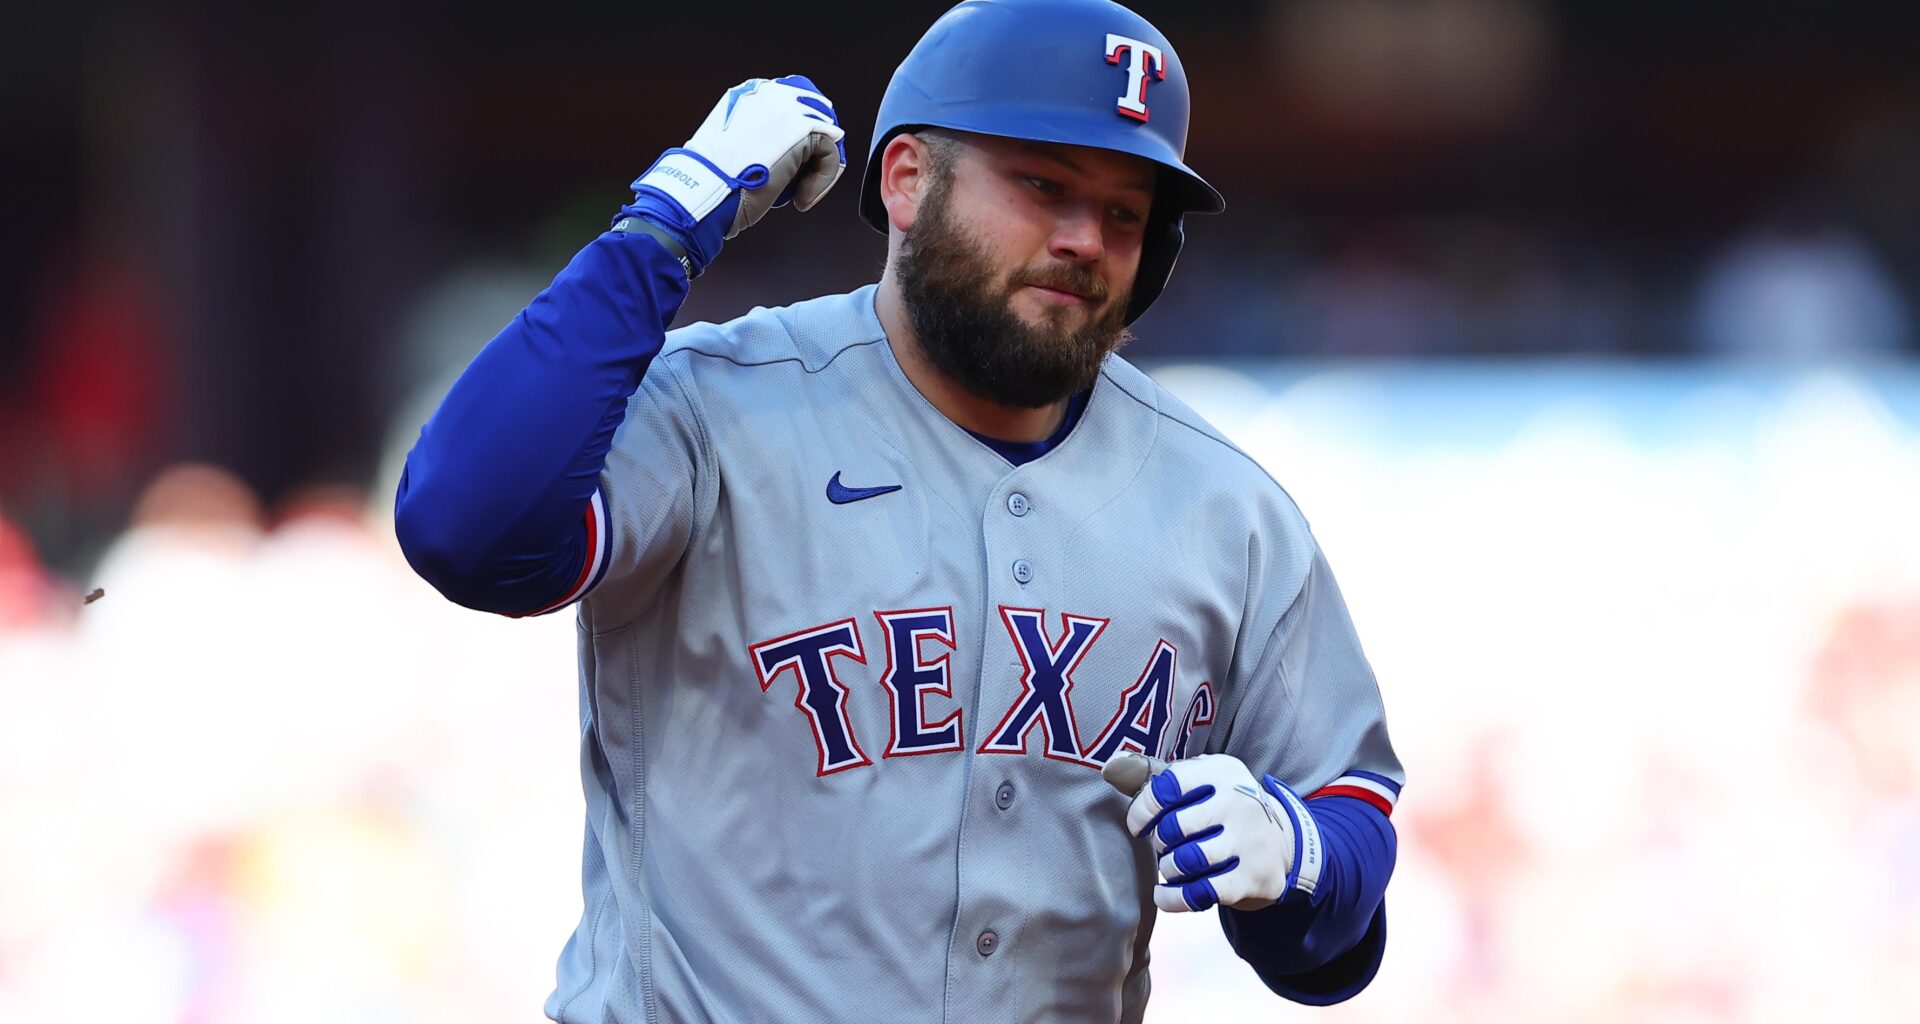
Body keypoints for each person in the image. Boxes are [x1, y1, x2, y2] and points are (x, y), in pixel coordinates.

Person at [394, 1, 1403, 1020]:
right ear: (908, 178)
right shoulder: (717, 407)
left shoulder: (1224, 504)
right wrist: (666, 220)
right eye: (1043, 185)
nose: (1084, 239)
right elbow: (468, 531)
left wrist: (1304, 856)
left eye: (1125, 213)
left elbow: (1336, 928)